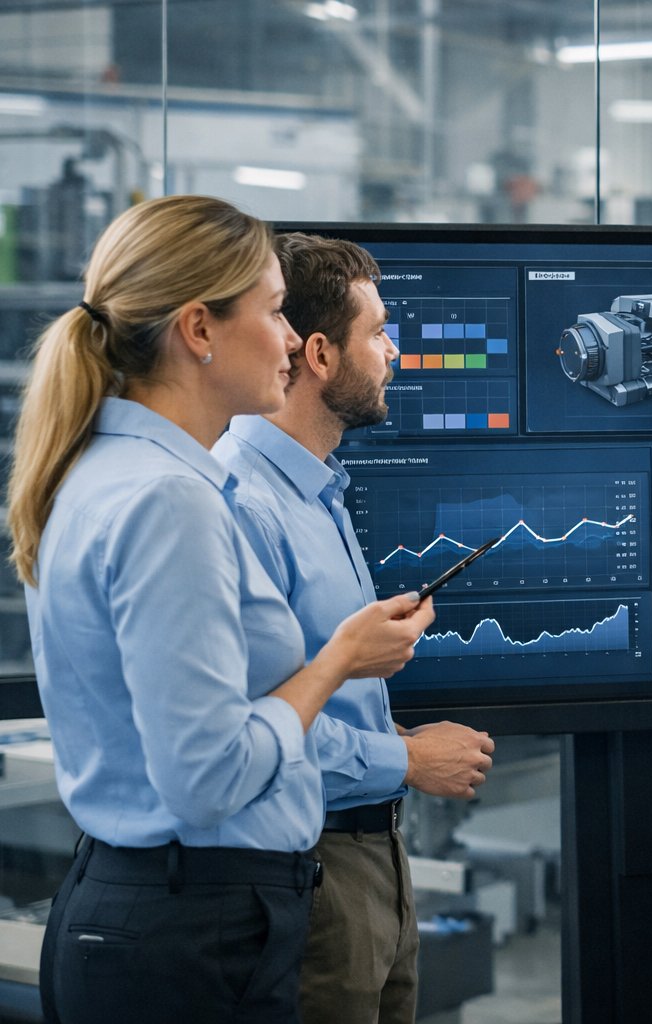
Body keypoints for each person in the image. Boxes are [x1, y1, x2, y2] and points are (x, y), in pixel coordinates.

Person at [6, 195, 436, 1024]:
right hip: (191, 929)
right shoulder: (170, 500)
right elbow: (209, 777)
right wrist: (336, 661)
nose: (288, 339)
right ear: (200, 330)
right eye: (274, 312)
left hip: (157, 912)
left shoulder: (114, 470)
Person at [213, 232, 496, 1024]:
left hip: (373, 862)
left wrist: (379, 718)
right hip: (310, 867)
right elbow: (248, 730)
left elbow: (308, 686)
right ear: (319, 355)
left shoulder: (319, 490)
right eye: (377, 332)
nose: (395, 353)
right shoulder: (246, 502)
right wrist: (403, 757)